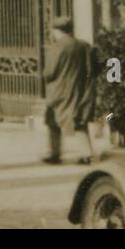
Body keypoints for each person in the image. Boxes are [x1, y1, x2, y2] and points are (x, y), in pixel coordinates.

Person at [42, 15, 97, 165]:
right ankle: (86, 154)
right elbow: (93, 68)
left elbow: (49, 72)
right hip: (80, 89)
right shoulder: (83, 45)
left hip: (59, 91)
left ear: (57, 31)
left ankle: (55, 153)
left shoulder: (57, 47)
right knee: (80, 121)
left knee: (53, 121)